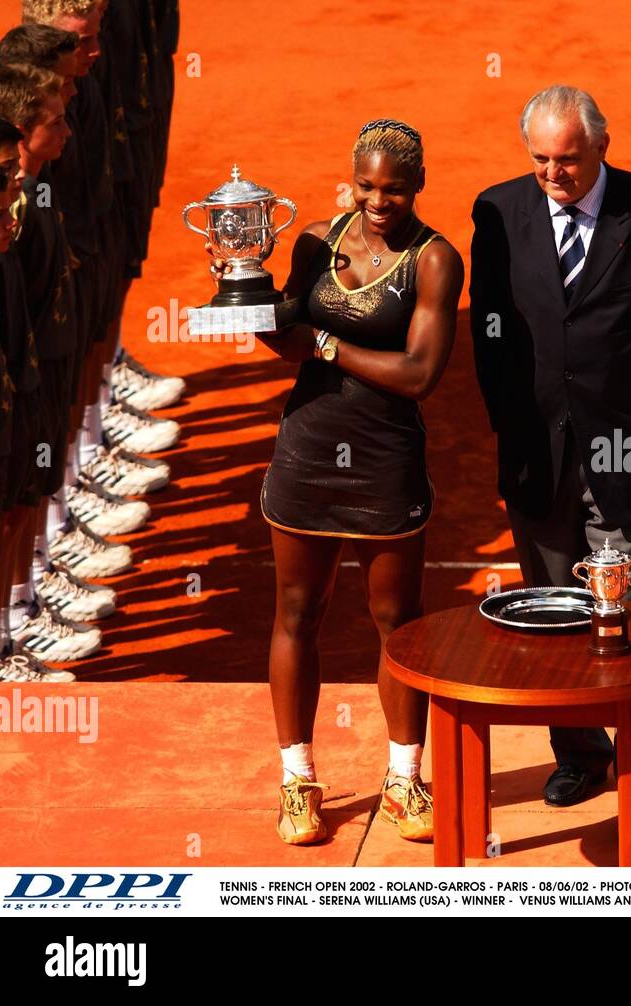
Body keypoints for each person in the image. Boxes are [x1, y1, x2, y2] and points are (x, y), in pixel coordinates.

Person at [216, 119, 463, 846]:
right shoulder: (316, 240)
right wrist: (239, 280)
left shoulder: (436, 261)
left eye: (393, 187)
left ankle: (403, 776)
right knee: (296, 612)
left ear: (418, 184)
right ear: (351, 178)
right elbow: (284, 328)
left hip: (385, 460)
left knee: (399, 621)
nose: (378, 199)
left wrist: (326, 344)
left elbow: (418, 375)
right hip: (309, 451)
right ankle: (297, 781)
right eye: (366, 184)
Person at [470, 84, 631, 807]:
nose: (552, 174)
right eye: (539, 158)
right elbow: (490, 332)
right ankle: (577, 751)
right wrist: (509, 430)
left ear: (603, 144)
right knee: (549, 606)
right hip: (539, 449)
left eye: (567, 159)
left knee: (630, 604)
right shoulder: (497, 211)